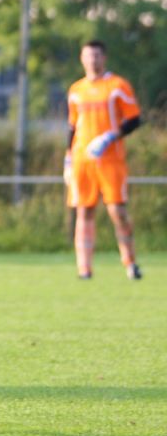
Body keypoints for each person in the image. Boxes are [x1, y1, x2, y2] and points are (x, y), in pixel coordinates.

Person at [63, 39, 142, 280]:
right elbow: (72, 126)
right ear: (81, 58)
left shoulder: (117, 85)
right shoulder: (76, 90)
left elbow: (134, 120)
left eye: (96, 55)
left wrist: (110, 137)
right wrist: (67, 158)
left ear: (104, 58)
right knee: (84, 211)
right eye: (88, 55)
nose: (92, 60)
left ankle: (130, 262)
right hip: (82, 159)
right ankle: (84, 269)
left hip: (110, 159)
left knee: (117, 211)